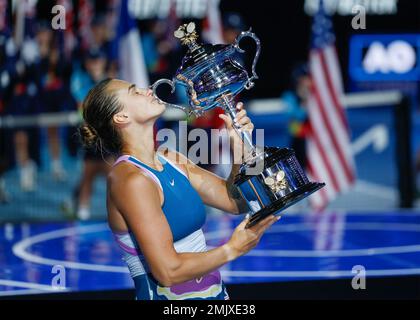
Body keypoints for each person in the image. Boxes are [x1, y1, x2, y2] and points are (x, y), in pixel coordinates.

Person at [79, 79, 279, 300]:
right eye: (135, 92)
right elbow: (167, 271)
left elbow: (235, 202)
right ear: (121, 117)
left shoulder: (170, 158)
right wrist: (232, 249)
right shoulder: (130, 180)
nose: (148, 90)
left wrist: (242, 150)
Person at [282, 63, 312, 169]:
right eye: (303, 78)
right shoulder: (290, 95)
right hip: (298, 135)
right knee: (297, 164)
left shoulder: (315, 94)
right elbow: (292, 117)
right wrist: (303, 103)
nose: (306, 81)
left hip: (313, 137)